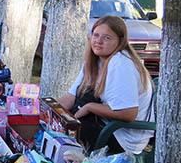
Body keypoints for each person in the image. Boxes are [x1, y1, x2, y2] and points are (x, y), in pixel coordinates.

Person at [57, 15, 154, 155]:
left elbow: (128, 113)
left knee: (65, 137)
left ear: (120, 41)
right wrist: (44, 110)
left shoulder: (120, 63)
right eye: (96, 35)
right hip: (103, 124)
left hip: (122, 137)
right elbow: (71, 97)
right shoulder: (95, 61)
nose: (98, 41)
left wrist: (90, 107)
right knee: (54, 128)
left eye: (107, 38)